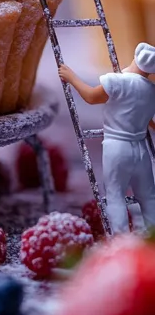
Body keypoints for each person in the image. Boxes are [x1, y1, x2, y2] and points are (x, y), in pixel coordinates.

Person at [59, 43, 155, 235]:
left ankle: (121, 242)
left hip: (117, 147)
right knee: (149, 197)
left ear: (135, 59)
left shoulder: (118, 81)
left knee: (115, 196)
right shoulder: (151, 91)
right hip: (141, 149)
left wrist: (72, 78)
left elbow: (91, 97)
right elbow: (150, 122)